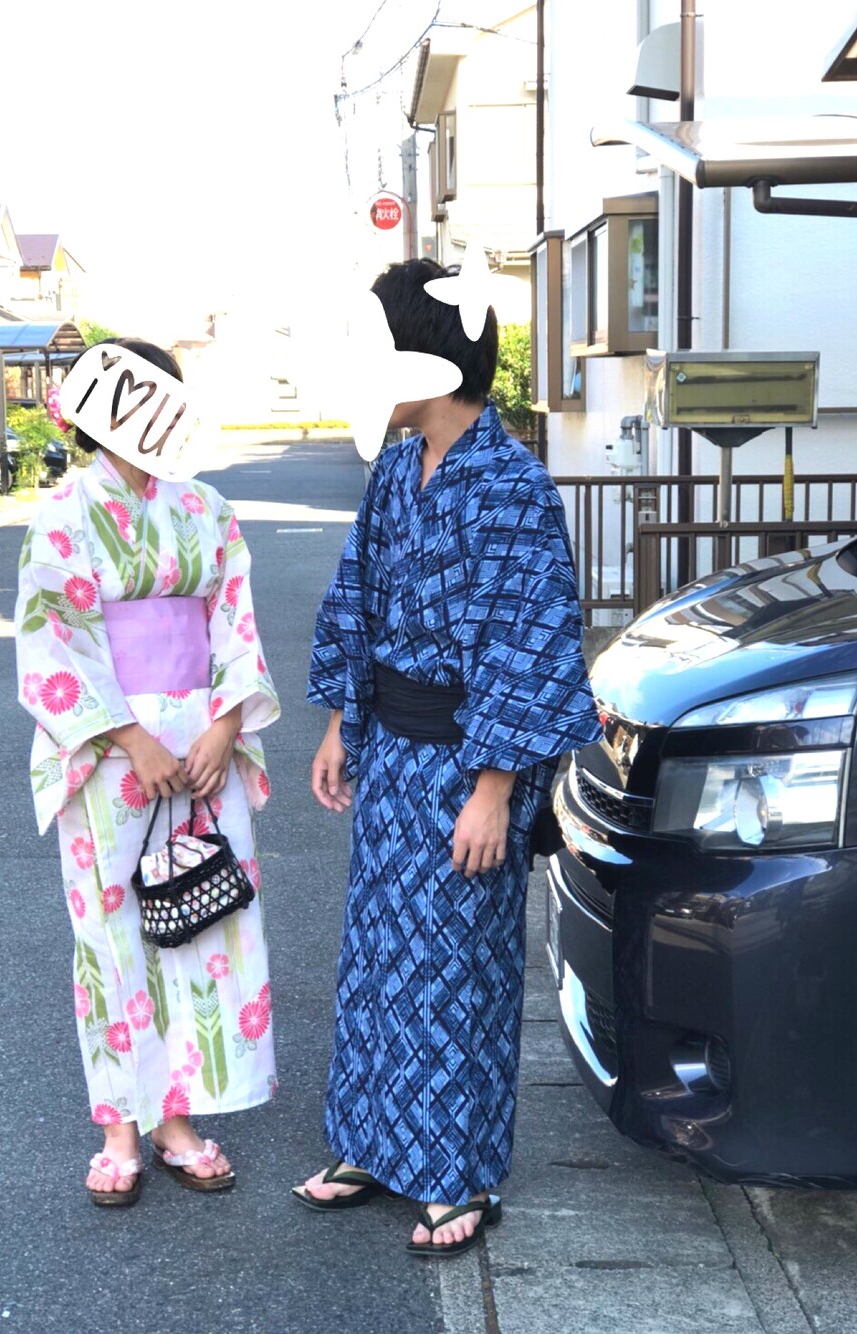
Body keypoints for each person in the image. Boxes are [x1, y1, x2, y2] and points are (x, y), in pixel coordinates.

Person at [294, 260, 602, 1255]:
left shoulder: (511, 486)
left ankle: (456, 1172)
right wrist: (342, 721)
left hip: (471, 767)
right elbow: (357, 594)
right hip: (392, 750)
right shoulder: (396, 471)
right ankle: (370, 1144)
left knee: (455, 969)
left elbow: (528, 638)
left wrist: (496, 788)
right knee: (378, 957)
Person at [15, 338, 279, 1206]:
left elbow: (235, 621)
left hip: (203, 741)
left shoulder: (206, 506)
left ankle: (177, 1118)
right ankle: (120, 1126)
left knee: (198, 918)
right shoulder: (64, 514)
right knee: (111, 934)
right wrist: (133, 739)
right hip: (109, 748)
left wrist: (226, 724)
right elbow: (54, 641)